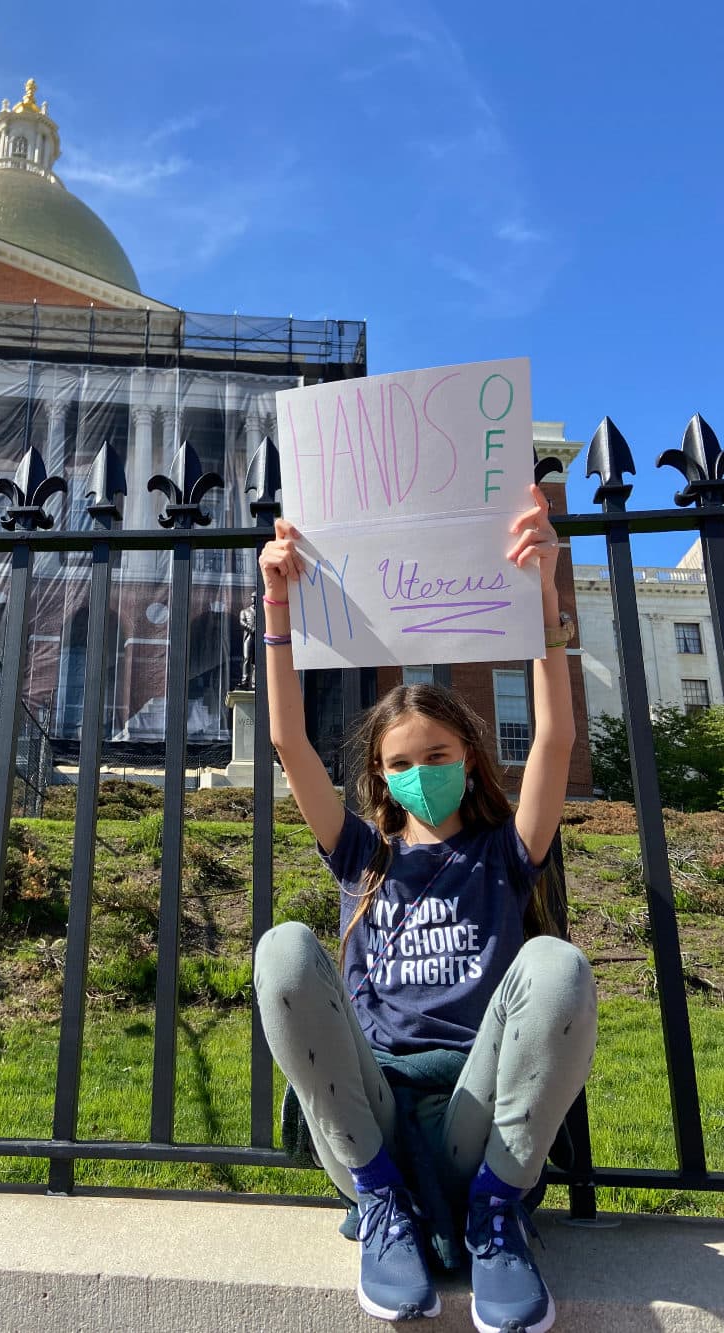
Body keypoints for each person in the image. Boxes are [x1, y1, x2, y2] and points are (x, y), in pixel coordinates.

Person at [253, 485, 597, 1332]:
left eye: (438, 753)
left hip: (483, 1120)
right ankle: (382, 1205)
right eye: (402, 761)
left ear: (470, 759)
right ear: (381, 775)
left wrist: (547, 600)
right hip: (370, 1113)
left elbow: (553, 737)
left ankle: (495, 1215)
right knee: (284, 949)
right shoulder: (362, 855)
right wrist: (276, 603)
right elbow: (289, 741)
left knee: (557, 964)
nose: (420, 771)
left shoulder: (504, 851)